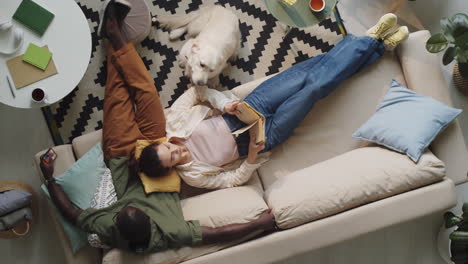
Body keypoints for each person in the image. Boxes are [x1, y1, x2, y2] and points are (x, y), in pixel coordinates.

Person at [40, 1, 275, 254]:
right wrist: (261, 223)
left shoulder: (107, 226)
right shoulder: (169, 232)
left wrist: (49, 177)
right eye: (138, 210)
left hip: (121, 155)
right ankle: (114, 33)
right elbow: (217, 233)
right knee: (144, 91)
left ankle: (114, 36)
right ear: (147, 222)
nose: (133, 205)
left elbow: (71, 212)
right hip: (157, 147)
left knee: (120, 94)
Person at [137, 14, 410, 189]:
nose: (177, 153)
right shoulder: (193, 176)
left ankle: (375, 45)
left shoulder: (173, 122)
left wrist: (224, 105)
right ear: (169, 169)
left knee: (310, 70)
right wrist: (253, 157)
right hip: (267, 135)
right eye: (172, 160)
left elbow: (197, 93)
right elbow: (232, 179)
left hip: (247, 108)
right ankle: (371, 41)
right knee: (314, 86)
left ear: (163, 142)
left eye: (169, 149)